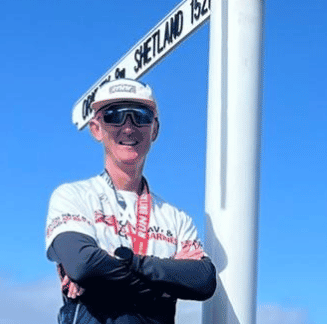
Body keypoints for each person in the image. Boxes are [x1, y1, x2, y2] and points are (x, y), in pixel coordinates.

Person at [45, 78, 217, 324]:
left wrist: (130, 263)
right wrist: (163, 283)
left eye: (140, 116)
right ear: (96, 128)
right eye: (114, 115)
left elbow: (203, 280)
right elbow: (82, 264)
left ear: (154, 129)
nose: (128, 127)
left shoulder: (176, 219)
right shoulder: (73, 196)